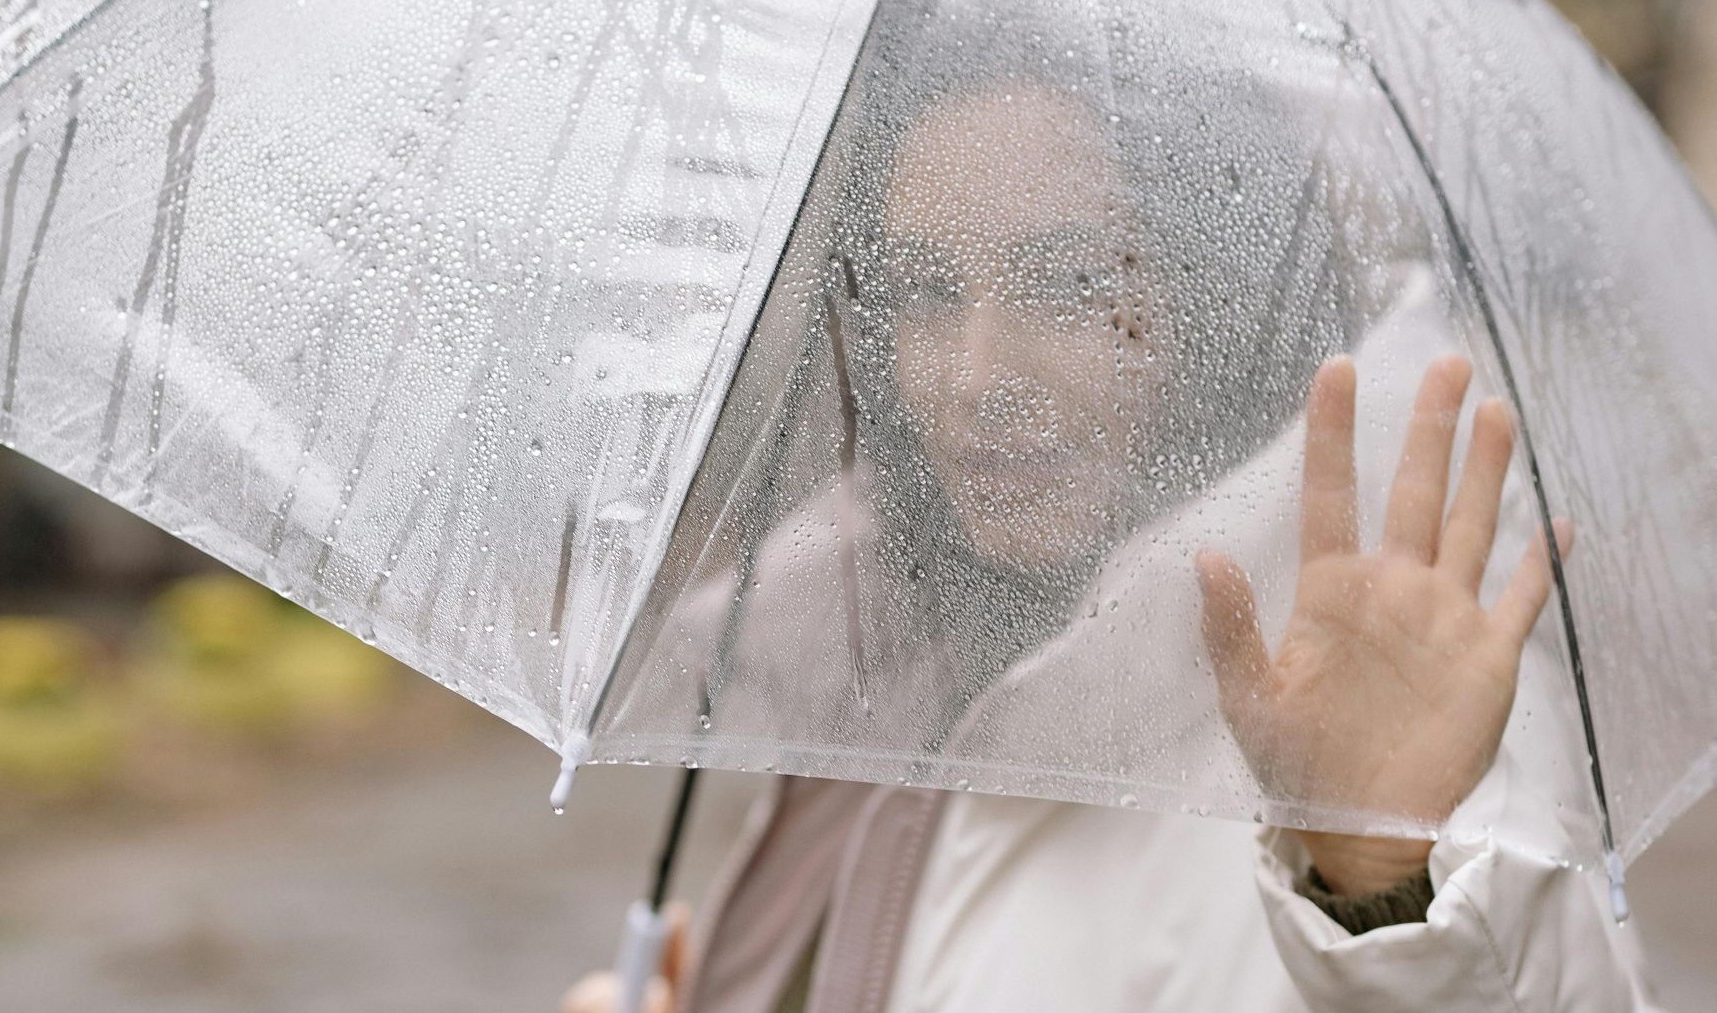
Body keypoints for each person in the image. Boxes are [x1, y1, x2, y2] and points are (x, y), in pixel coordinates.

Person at [564, 7, 1659, 1010]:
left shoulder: (1389, 695)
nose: (974, 374)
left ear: (1221, 297)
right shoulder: (890, 646)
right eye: (929, 289)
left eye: (1070, 283)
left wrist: (1381, 892)